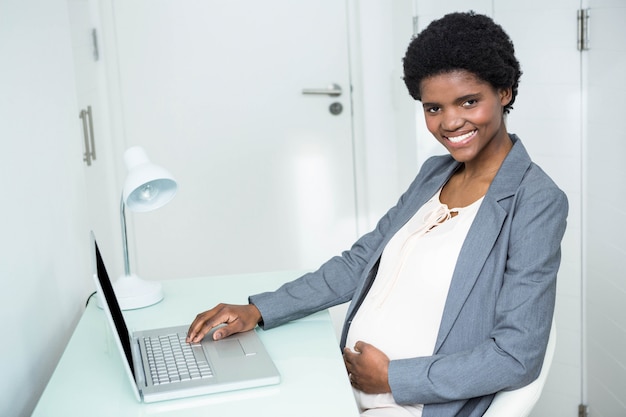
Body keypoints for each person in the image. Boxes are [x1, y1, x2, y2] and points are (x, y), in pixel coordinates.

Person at [187, 11, 568, 417]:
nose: (450, 122)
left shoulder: (536, 201)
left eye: (469, 101)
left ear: (505, 92)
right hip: (344, 386)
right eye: (433, 108)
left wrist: (394, 378)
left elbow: (516, 354)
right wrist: (260, 310)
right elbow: (359, 262)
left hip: (408, 406)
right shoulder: (434, 173)